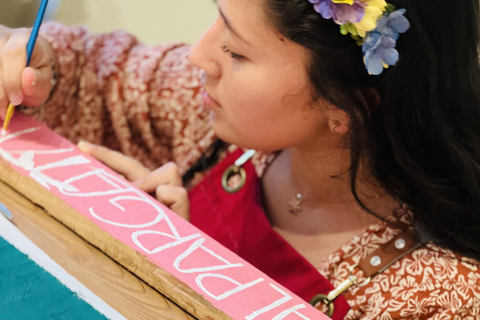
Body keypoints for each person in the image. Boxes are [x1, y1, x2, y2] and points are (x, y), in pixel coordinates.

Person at [1, 0, 479, 318]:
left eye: (235, 50)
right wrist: (39, 66)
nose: (198, 56)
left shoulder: (440, 295)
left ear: (348, 106)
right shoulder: (218, 125)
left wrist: (179, 281)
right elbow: (93, 73)